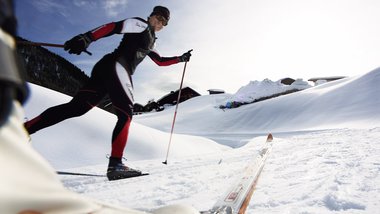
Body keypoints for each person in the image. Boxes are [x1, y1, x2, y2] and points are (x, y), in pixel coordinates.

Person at [24, 5, 192, 180]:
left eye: (163, 22)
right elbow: (113, 27)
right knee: (126, 114)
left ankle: (25, 129)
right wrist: (87, 38)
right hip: (117, 66)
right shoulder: (140, 24)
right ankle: (116, 165)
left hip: (107, 69)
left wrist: (180, 59)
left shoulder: (152, 41)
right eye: (157, 18)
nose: (159, 23)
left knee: (76, 108)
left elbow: (160, 61)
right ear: (150, 16)